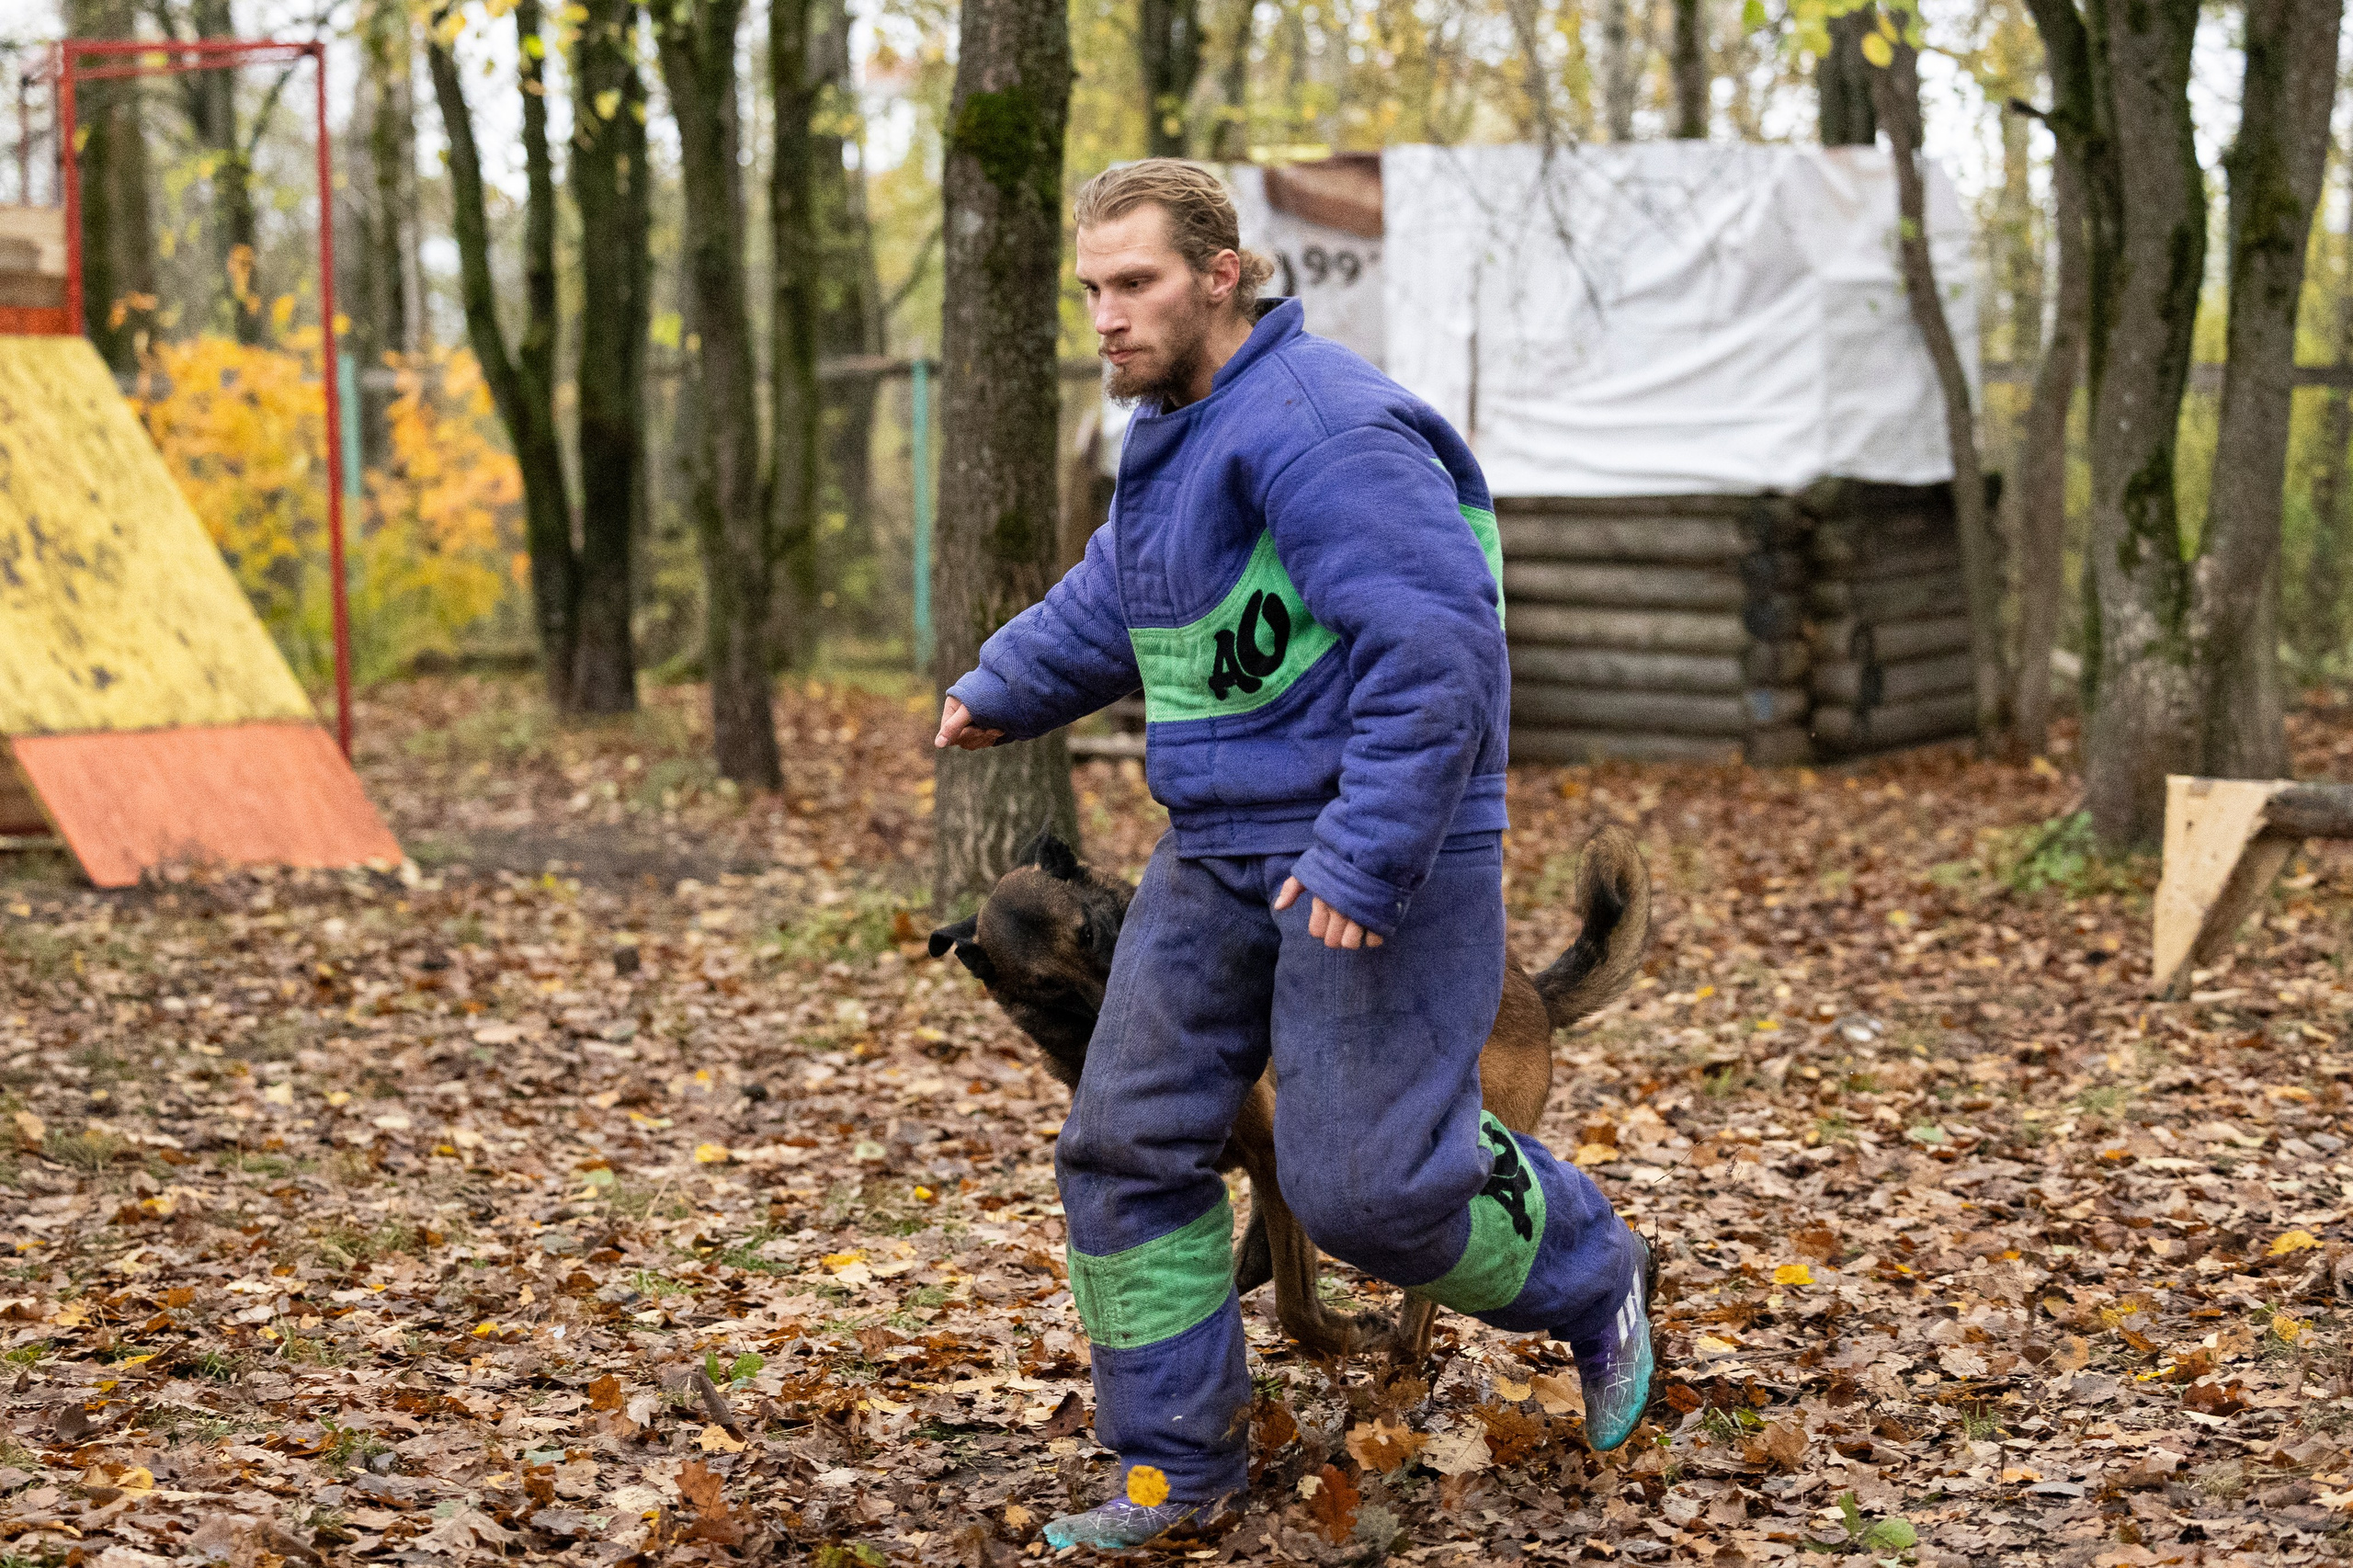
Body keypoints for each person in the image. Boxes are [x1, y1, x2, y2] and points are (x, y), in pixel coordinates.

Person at [934, 159, 1656, 1551]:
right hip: (1218, 849)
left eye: (1134, 283)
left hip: (1376, 848)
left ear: (1223, 275)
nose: (1106, 316)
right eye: (1091, 289)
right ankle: (1174, 1469)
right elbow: (1125, 593)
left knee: (1367, 1191)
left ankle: (1593, 1267)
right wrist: (1007, 682)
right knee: (1123, 1147)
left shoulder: (1328, 430)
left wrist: (1364, 856)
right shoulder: (1175, 433)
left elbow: (1440, 657)